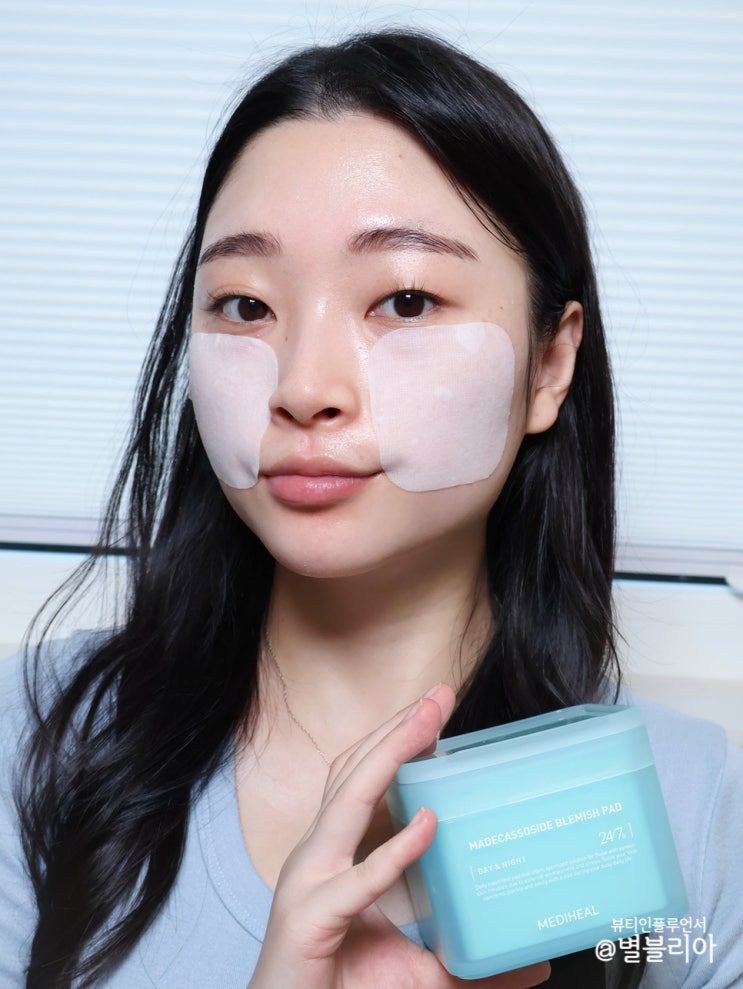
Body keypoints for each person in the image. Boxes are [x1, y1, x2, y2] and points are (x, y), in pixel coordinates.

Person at [0, 29, 741, 989]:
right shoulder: (34, 735)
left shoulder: (692, 806)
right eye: (245, 305)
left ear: (550, 365)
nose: (304, 388)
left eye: (405, 300)